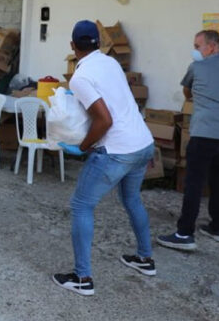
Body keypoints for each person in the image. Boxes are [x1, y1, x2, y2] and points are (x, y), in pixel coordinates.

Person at [52, 20, 156, 297]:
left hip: (117, 150)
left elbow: (104, 120)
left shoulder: (80, 77)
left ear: (73, 46)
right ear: (99, 43)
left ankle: (82, 278)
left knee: (81, 205)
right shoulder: (111, 64)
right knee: (132, 199)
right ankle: (145, 259)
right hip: (143, 143)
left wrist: (83, 147)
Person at [157, 31, 219, 252]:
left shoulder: (197, 68)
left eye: (198, 45)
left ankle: (184, 233)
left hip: (203, 133)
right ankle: (218, 227)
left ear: (212, 47)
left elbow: (186, 91)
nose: (195, 49)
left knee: (194, 183)